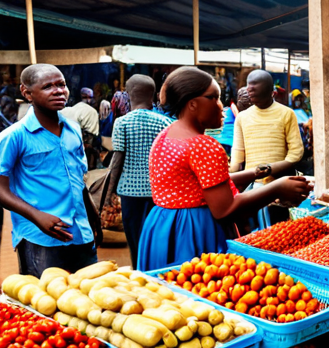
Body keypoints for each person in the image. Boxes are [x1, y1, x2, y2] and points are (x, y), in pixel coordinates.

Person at [137, 67, 310, 270]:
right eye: (214, 98)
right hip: (194, 232)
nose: (222, 107)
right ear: (192, 103)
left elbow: (201, 186)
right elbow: (225, 209)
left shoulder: (166, 135)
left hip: (161, 230)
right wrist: (277, 188)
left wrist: (257, 172)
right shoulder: (204, 145)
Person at [0, 64, 102, 277]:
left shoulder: (73, 129)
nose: (58, 91)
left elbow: (78, 180)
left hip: (81, 232)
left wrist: (93, 216)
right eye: (47, 86)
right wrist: (37, 216)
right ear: (26, 92)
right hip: (40, 237)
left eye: (61, 84)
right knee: (45, 303)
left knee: (89, 299)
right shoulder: (14, 136)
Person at [105, 75, 173, 268]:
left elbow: (117, 160)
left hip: (129, 192)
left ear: (128, 94)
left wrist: (110, 191)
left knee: (134, 238)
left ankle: (138, 269)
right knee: (156, 236)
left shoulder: (122, 122)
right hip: (158, 192)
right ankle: (155, 270)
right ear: (152, 94)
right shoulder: (164, 123)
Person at [230, 70, 304, 177]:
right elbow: (237, 155)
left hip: (281, 182)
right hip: (253, 183)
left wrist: (270, 170)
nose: (250, 89)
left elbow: (296, 153)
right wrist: (233, 176)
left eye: (255, 86)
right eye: (249, 86)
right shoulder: (242, 117)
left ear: (271, 92)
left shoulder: (286, 114)